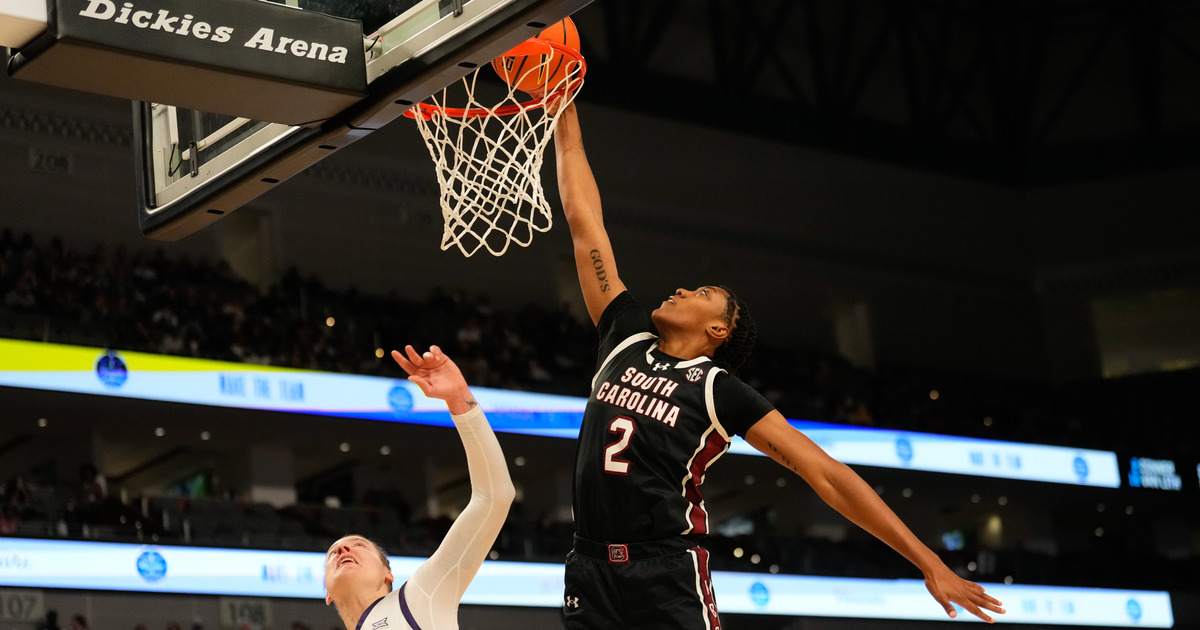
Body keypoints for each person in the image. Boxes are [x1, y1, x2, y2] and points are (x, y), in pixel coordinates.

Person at [551, 102, 1005, 627]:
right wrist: (563, 107)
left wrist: (929, 563)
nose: (680, 289)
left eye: (702, 292)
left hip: (663, 576)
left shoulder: (720, 391)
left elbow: (828, 476)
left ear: (719, 330)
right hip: (587, 571)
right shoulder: (625, 335)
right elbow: (586, 223)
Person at [323, 345, 515, 630]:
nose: (342, 550)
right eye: (332, 553)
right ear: (327, 593)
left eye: (358, 545)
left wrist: (459, 397)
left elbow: (495, 497)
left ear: (388, 574)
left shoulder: (419, 596)